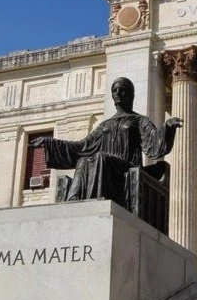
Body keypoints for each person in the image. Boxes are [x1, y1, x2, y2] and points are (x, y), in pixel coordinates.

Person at [29, 77, 182, 208]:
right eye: (114, 90)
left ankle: (96, 202)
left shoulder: (140, 120)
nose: (118, 93)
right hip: (105, 165)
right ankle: (74, 200)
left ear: (130, 94)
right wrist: (50, 142)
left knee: (100, 158)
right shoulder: (105, 125)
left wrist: (167, 127)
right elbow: (82, 147)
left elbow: (154, 143)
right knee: (83, 160)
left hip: (126, 168)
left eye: (122, 90)